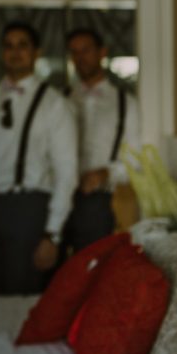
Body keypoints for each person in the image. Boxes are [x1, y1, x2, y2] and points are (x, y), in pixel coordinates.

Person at [0, 21, 77, 295]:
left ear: (36, 52)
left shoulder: (54, 103)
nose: (15, 52)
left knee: (21, 294)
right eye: (8, 46)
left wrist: (52, 233)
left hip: (29, 208)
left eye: (23, 45)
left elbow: (67, 172)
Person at [63, 27, 140, 253]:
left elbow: (136, 161)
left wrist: (106, 173)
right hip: (59, 196)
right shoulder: (62, 100)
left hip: (98, 201)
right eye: (74, 52)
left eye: (86, 50)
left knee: (91, 263)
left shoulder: (126, 104)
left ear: (102, 52)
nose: (80, 58)